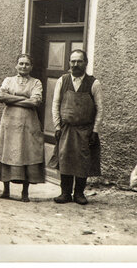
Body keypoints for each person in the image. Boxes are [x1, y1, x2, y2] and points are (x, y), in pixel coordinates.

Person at [0, 53, 45, 202]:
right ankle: (6, 191)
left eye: (27, 64)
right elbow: (1, 96)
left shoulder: (36, 82)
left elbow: (35, 102)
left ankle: (25, 193)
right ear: (16, 65)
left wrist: (12, 99)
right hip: (9, 123)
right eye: (21, 63)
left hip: (28, 123)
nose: (23, 66)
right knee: (7, 151)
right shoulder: (8, 80)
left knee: (26, 152)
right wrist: (24, 99)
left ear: (31, 67)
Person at [50, 49, 103, 205]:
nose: (75, 64)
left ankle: (79, 193)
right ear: (69, 63)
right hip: (66, 128)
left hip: (85, 130)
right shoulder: (63, 80)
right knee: (64, 159)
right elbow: (55, 104)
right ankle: (65, 193)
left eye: (79, 61)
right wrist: (57, 126)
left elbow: (100, 108)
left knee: (83, 161)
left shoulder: (94, 83)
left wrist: (95, 130)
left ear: (85, 63)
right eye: (73, 61)